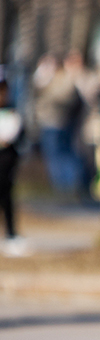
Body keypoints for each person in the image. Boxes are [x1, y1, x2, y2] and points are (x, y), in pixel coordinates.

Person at [32, 51, 94, 202]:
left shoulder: (68, 78)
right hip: (51, 123)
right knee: (56, 156)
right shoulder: (53, 78)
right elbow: (36, 89)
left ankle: (69, 187)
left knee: (63, 156)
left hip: (59, 123)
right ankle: (63, 188)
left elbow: (64, 97)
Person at [0, 74, 26, 257]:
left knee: (6, 198)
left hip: (6, 161)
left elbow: (19, 135)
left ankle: (11, 234)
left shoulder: (12, 111)